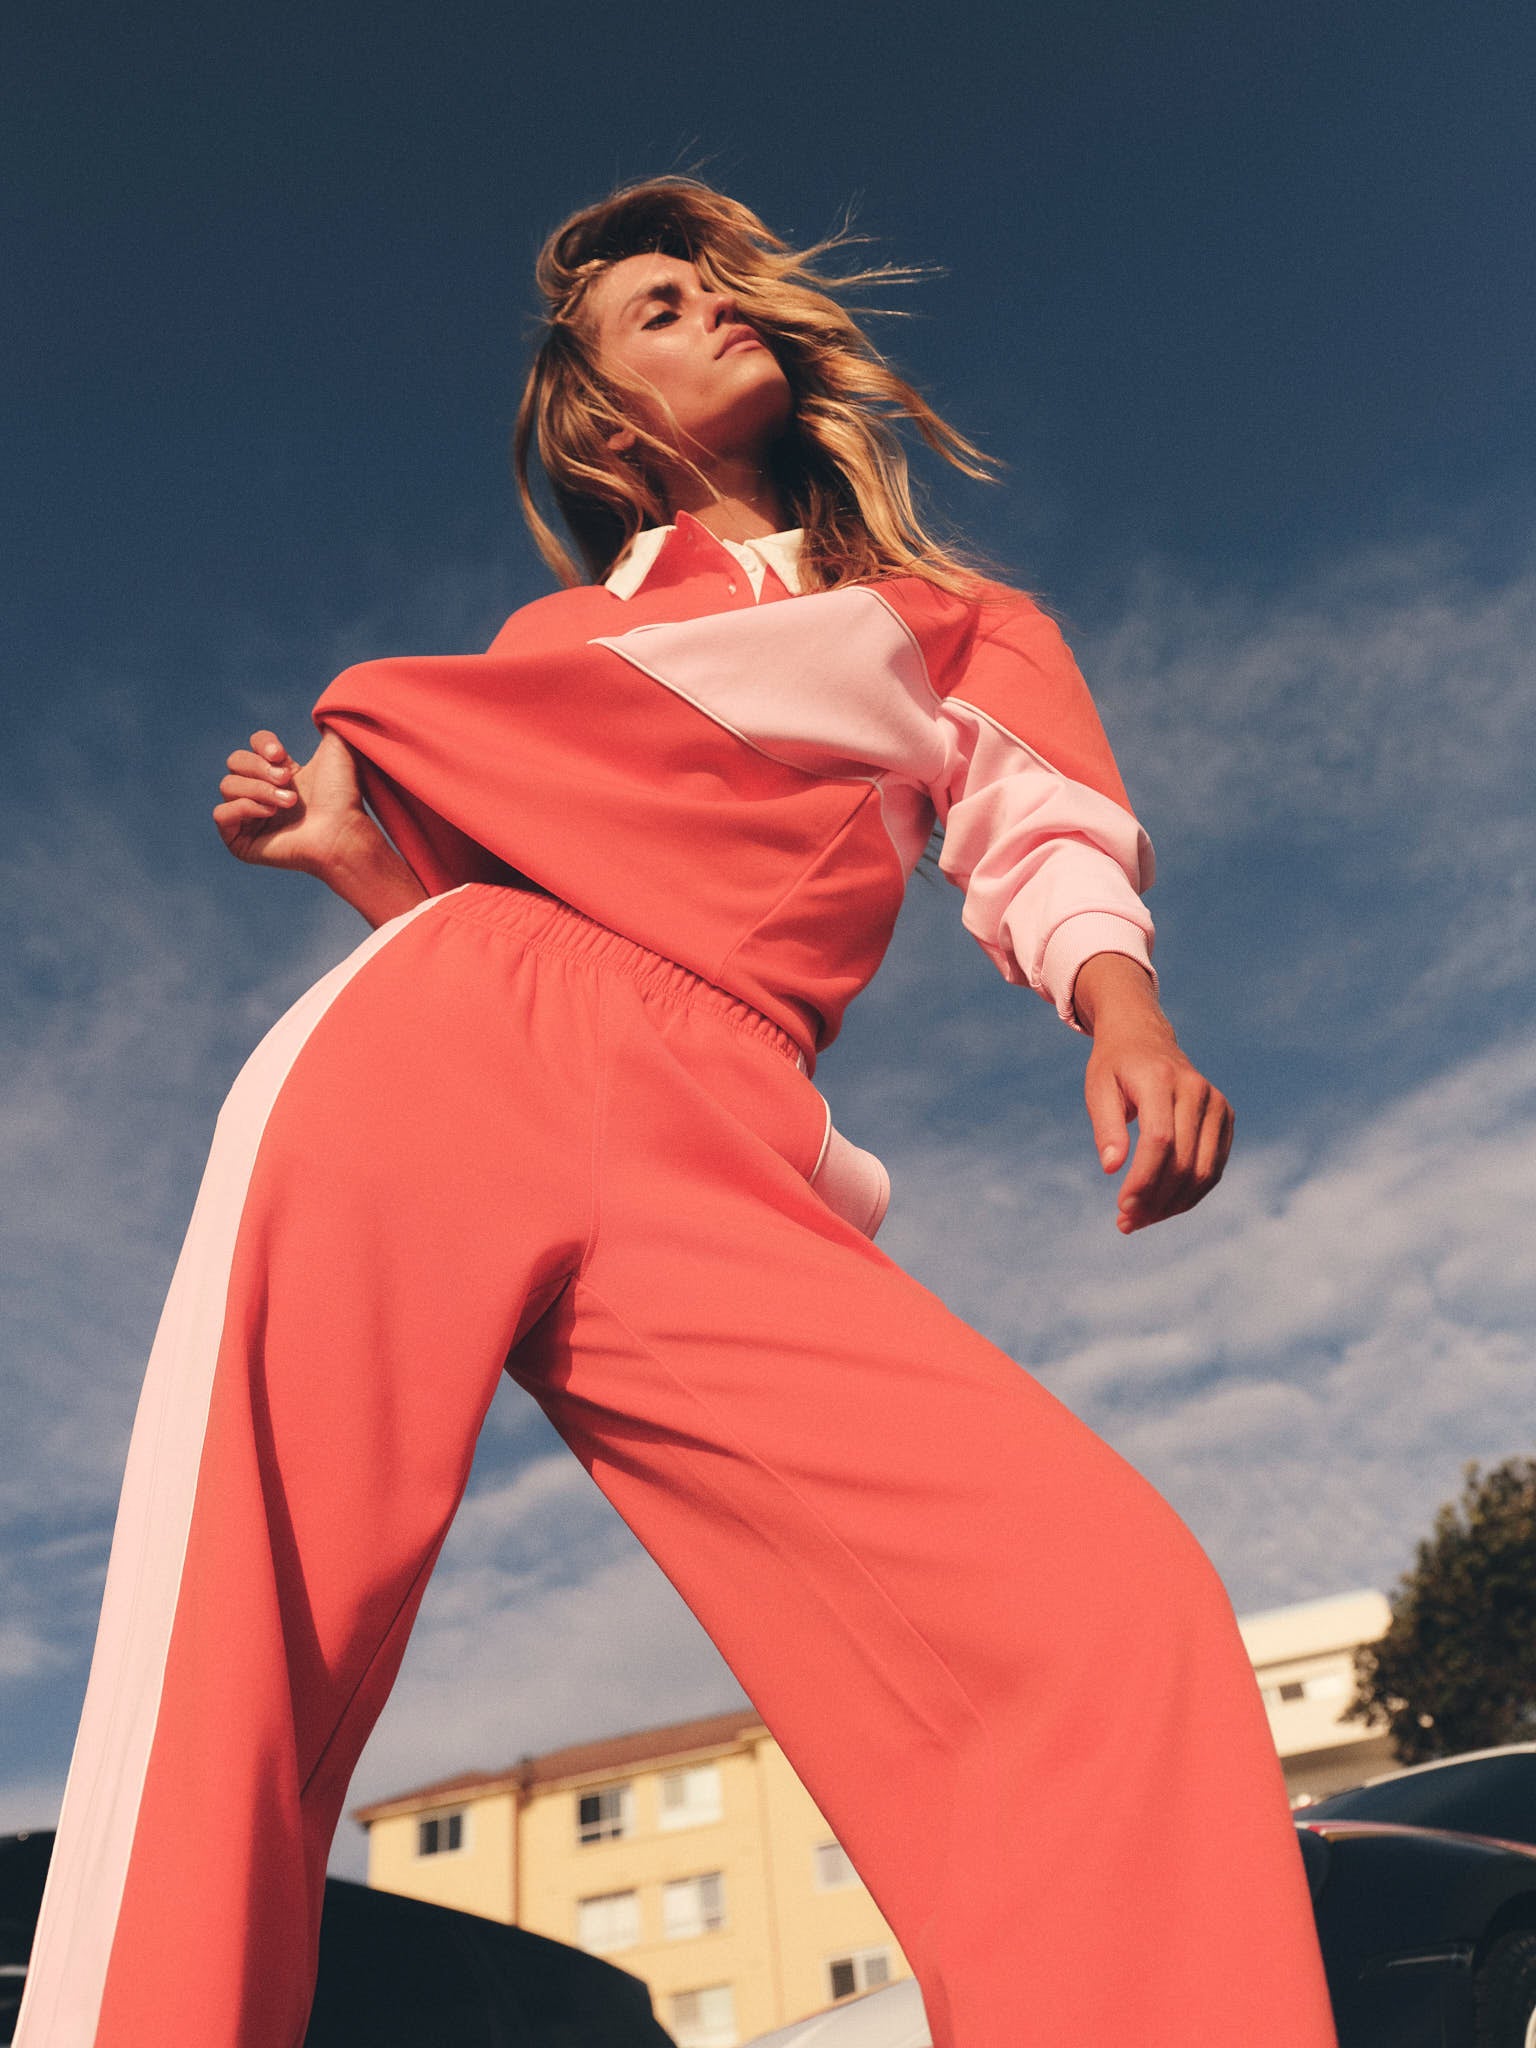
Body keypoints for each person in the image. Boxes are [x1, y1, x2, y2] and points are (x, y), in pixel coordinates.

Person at [17, 179, 1337, 2047]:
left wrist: (1122, 1007)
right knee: (252, 1613)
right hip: (456, 1039)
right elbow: (545, 926)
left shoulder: (938, 623)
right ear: (598, 419)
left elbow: (1039, 825)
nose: (718, 310)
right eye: (657, 306)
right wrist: (358, 863)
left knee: (1110, 1618)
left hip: (727, 1131)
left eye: (721, 287)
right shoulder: (556, 642)